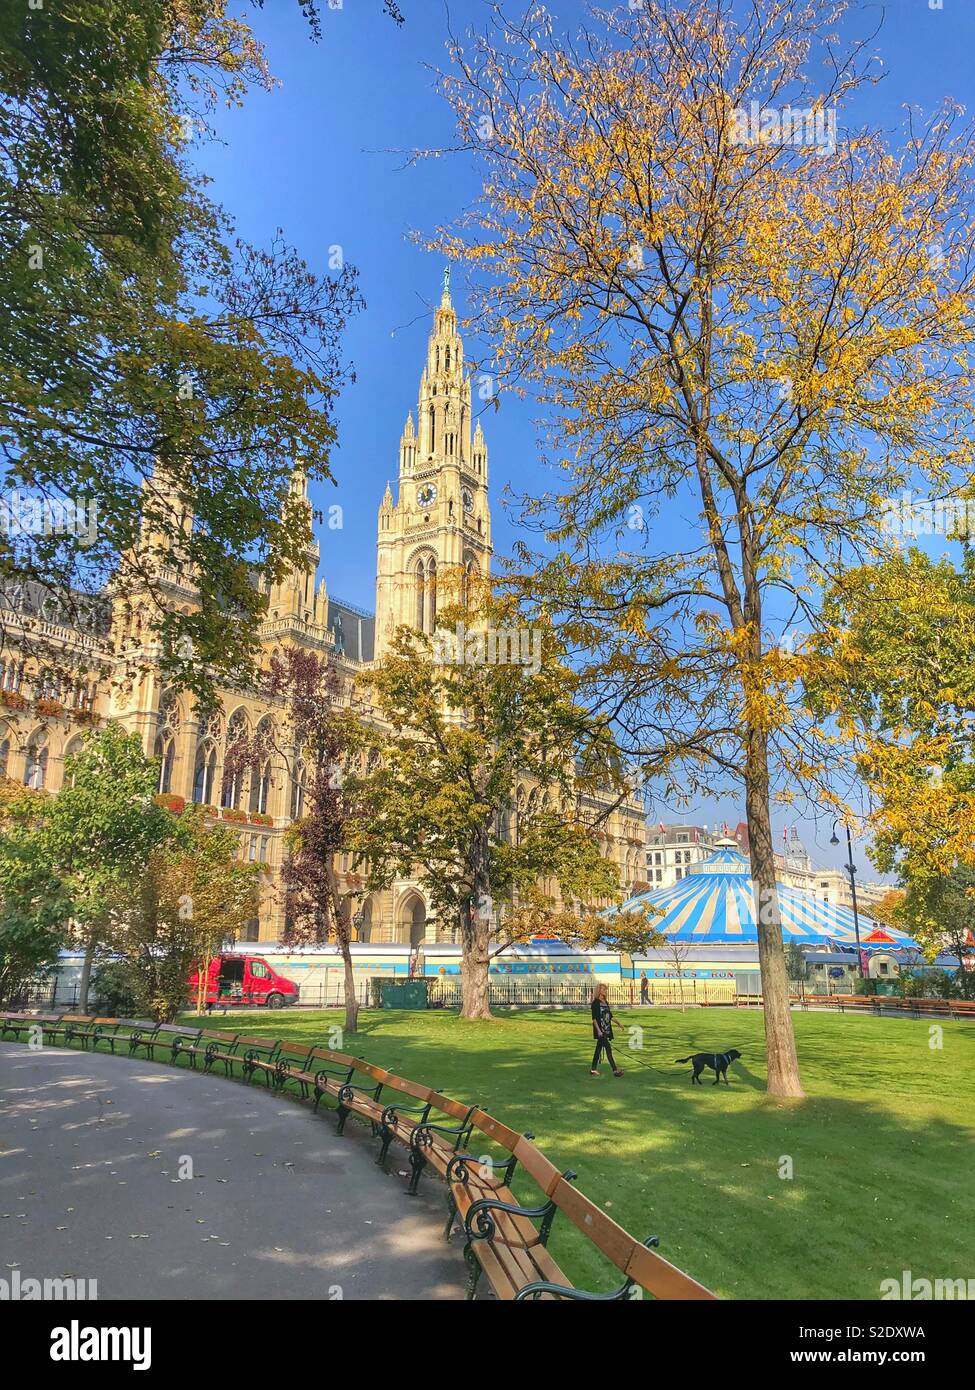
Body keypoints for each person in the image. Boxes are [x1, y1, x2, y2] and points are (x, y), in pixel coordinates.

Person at [590, 982, 623, 1077]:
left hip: (607, 1030)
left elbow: (610, 1016)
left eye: (605, 989)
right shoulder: (595, 1003)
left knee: (598, 1050)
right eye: (603, 989)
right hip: (601, 1031)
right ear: (599, 991)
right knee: (608, 1048)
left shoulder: (605, 1002)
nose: (605, 991)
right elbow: (594, 1019)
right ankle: (615, 1070)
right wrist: (599, 1031)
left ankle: (593, 1069)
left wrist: (618, 1023)